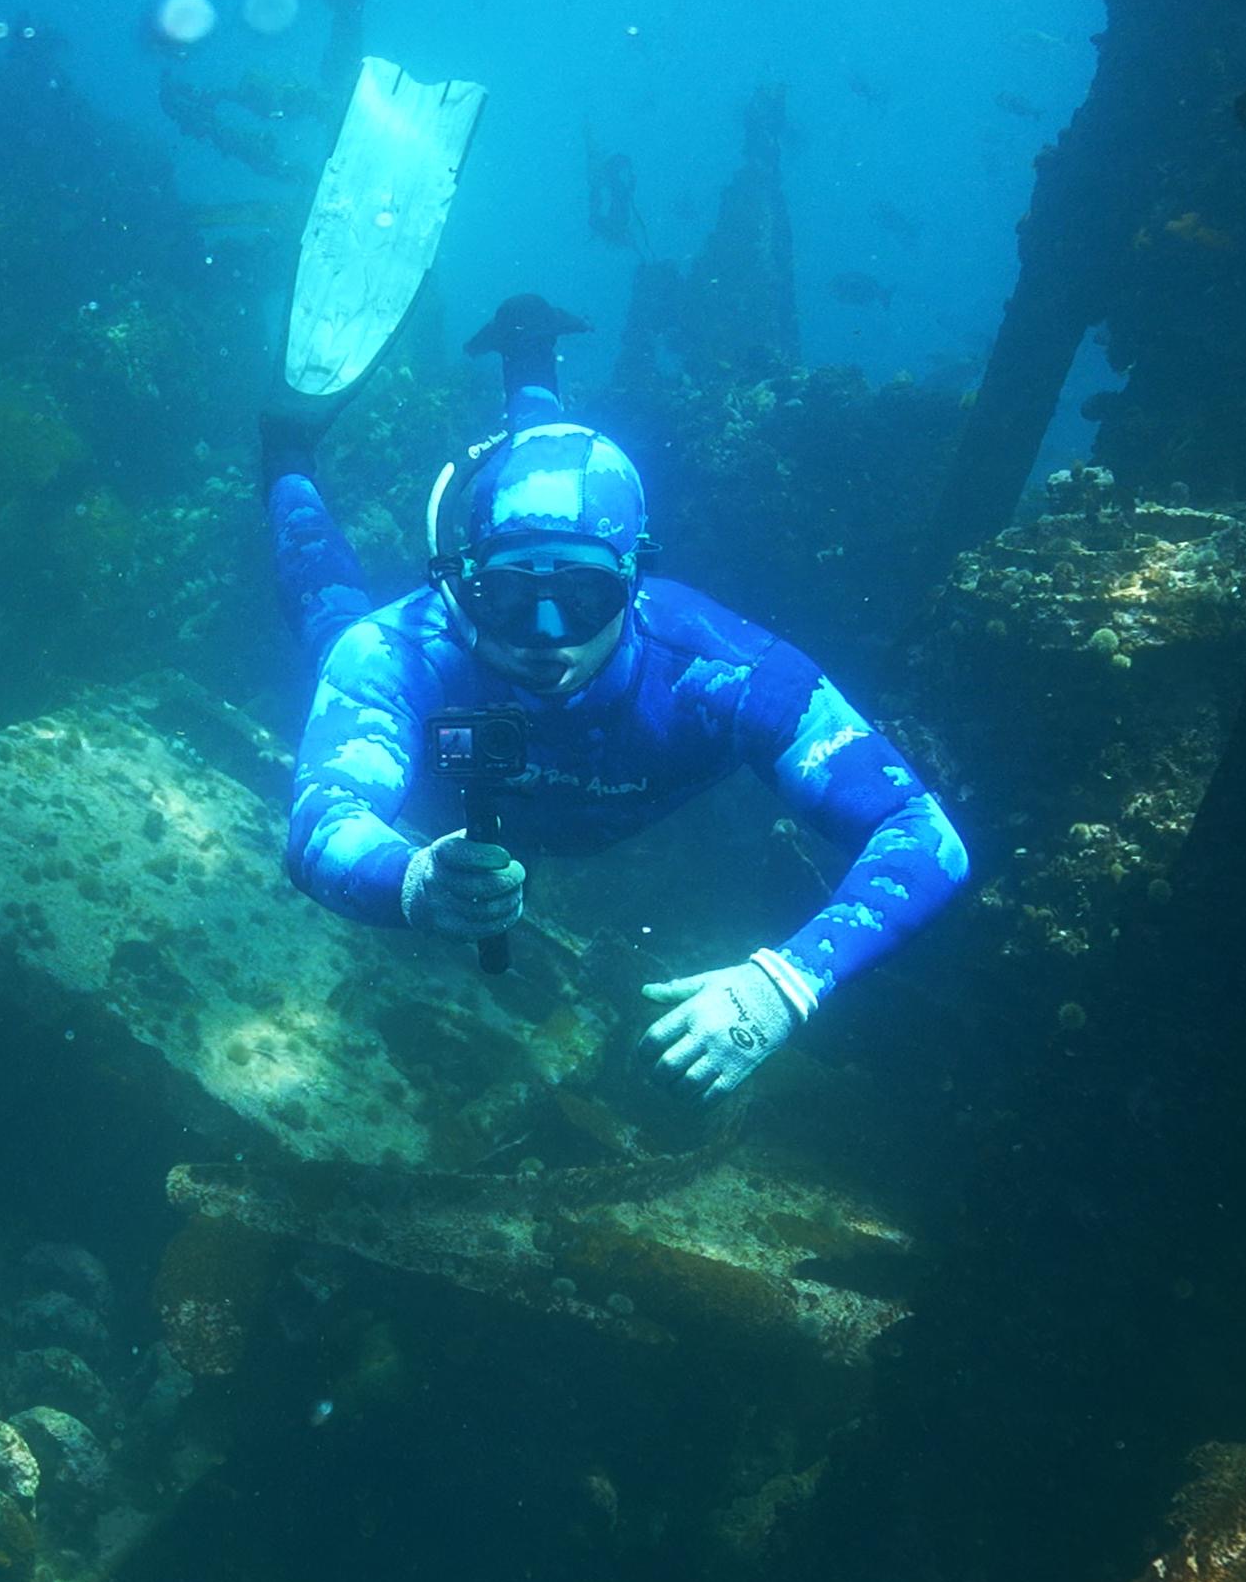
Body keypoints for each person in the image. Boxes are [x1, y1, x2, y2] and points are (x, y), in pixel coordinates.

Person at [258, 294, 969, 1101]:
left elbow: (922, 833)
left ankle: (528, 360)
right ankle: (286, 455)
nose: (547, 633)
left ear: (635, 582)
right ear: (460, 584)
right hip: (453, 764)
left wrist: (785, 984)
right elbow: (321, 824)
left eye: (586, 594)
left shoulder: (722, 669)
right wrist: (414, 880)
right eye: (508, 595)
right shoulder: (397, 651)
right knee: (329, 621)